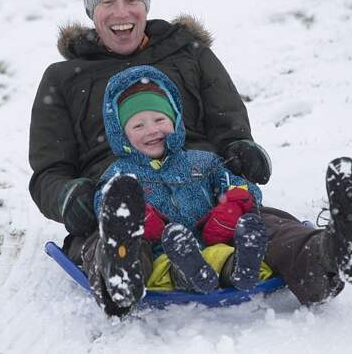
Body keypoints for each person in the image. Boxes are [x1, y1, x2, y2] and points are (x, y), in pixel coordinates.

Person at [28, 0, 352, 317]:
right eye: (107, 3)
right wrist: (70, 196)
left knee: (266, 228)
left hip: (204, 190)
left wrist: (242, 149)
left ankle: (332, 254)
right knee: (112, 243)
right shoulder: (64, 78)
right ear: (89, 10)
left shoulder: (189, 54)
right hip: (125, 205)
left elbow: (230, 126)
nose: (121, 13)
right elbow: (49, 171)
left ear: (146, 4)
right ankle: (120, 275)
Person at [92, 65, 269, 307]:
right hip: (160, 251)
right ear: (121, 134)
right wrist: (134, 217)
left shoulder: (201, 161)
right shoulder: (120, 174)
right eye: (138, 126)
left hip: (210, 242)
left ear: (175, 120)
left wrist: (235, 204)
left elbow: (235, 183)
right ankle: (189, 274)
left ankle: (242, 268)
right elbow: (105, 202)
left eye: (159, 119)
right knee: (165, 267)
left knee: (221, 256)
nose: (152, 130)